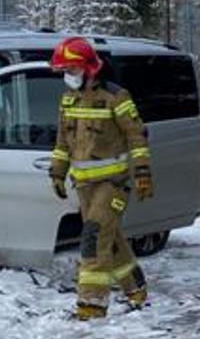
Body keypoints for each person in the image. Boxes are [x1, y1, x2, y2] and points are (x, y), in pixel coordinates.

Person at [46, 37, 157, 320]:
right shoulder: (68, 99)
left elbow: (137, 136)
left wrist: (143, 172)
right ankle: (136, 288)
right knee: (110, 238)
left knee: (94, 237)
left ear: (89, 68)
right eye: (63, 72)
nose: (67, 77)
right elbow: (62, 142)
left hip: (113, 184)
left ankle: (92, 304)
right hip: (84, 186)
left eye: (71, 70)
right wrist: (57, 173)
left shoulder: (115, 97)